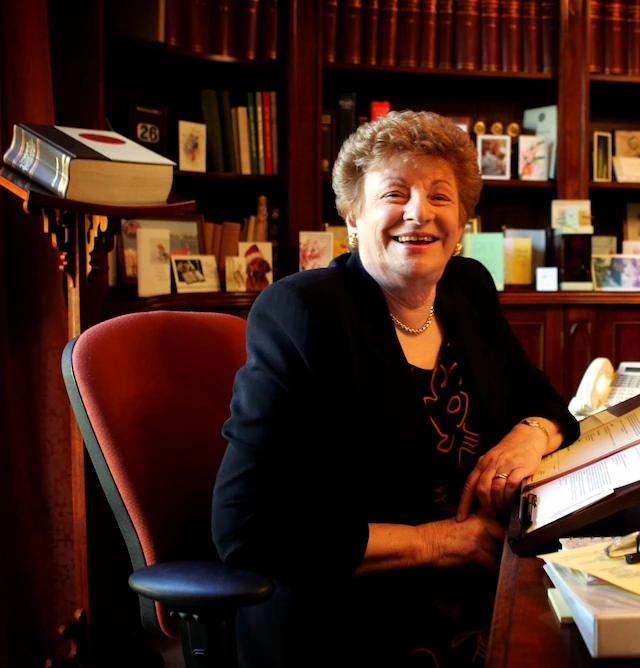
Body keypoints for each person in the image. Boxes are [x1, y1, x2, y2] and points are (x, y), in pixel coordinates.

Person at [211, 110, 580, 667]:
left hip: (486, 586)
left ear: (461, 223)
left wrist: (530, 435)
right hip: (352, 619)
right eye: (395, 193)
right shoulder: (306, 313)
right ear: (354, 217)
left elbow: (547, 403)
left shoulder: (466, 290)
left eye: (439, 196)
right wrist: (437, 542)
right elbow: (249, 528)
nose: (419, 212)